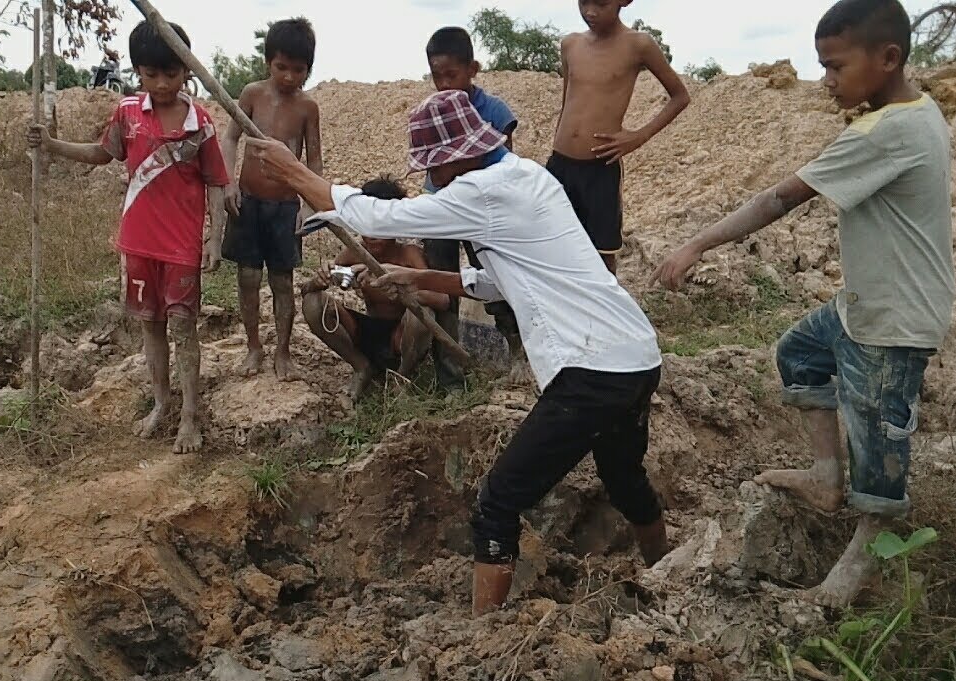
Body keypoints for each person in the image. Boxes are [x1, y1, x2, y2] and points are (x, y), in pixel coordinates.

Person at [250, 90, 669, 617]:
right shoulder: (527, 177)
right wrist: (420, 276)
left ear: (455, 159)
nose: (433, 179)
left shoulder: (483, 190)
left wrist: (294, 172)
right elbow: (498, 280)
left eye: (434, 168)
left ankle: (481, 635)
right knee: (624, 477)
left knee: (497, 502)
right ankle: (667, 576)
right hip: (635, 356)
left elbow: (379, 218)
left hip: (592, 368)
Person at [652, 0, 954, 607]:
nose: (827, 81)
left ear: (888, 58)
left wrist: (695, 245)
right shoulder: (914, 111)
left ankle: (845, 584)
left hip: (892, 320)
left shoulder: (887, 132)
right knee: (800, 353)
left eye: (836, 67)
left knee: (878, 446)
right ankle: (824, 477)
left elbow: (779, 199)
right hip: (864, 303)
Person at [27, 20, 228, 452]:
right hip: (138, 243)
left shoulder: (201, 124)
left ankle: (190, 417)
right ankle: (161, 403)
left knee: (183, 329)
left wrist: (214, 238)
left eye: (171, 74)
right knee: (150, 326)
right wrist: (52, 144)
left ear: (187, 71)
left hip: (181, 247)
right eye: (151, 74)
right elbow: (103, 153)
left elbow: (216, 181)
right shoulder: (128, 113)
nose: (162, 84)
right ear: (137, 71)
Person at [422, 26, 528, 390]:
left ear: (473, 69)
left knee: (496, 280)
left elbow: (504, 166)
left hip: (483, 210)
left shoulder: (494, 110)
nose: (444, 85)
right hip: (442, 208)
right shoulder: (434, 113)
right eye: (437, 76)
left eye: (451, 75)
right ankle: (450, 378)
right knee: (443, 288)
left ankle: (518, 354)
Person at [552, 0, 690, 275]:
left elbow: (680, 96)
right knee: (555, 247)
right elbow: (567, 102)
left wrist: (639, 136)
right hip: (559, 164)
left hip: (600, 167)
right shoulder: (570, 44)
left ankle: (606, 304)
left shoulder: (638, 45)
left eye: (601, 4)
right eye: (583, 2)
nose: (590, 11)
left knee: (602, 254)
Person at [221, 17, 323, 382]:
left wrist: (309, 204)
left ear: (308, 69)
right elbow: (230, 138)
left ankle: (283, 351)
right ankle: (253, 347)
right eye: (281, 67)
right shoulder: (252, 94)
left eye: (299, 70)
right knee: (248, 278)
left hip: (285, 207)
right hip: (248, 202)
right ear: (268, 62)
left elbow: (314, 160)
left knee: (282, 282)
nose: (289, 77)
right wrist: (228, 183)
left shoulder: (307, 107)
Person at [300, 177, 449, 402]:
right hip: (365, 333)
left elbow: (442, 300)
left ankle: (402, 376)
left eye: (379, 227)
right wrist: (319, 280)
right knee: (313, 303)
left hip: (400, 337)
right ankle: (361, 367)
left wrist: (402, 290)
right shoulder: (355, 253)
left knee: (422, 315)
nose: (371, 235)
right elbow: (307, 290)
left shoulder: (408, 255)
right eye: (366, 225)